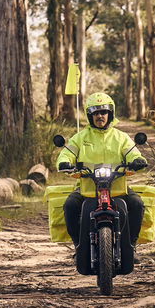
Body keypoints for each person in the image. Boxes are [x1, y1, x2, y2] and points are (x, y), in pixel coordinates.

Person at [56, 92, 147, 252]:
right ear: (90, 115)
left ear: (110, 113)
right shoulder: (80, 137)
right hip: (87, 187)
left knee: (137, 204)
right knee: (70, 205)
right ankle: (79, 246)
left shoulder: (121, 137)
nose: (100, 116)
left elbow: (132, 152)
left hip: (118, 186)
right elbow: (67, 153)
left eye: (104, 112)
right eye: (96, 113)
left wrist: (137, 160)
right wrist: (65, 162)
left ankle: (131, 246)